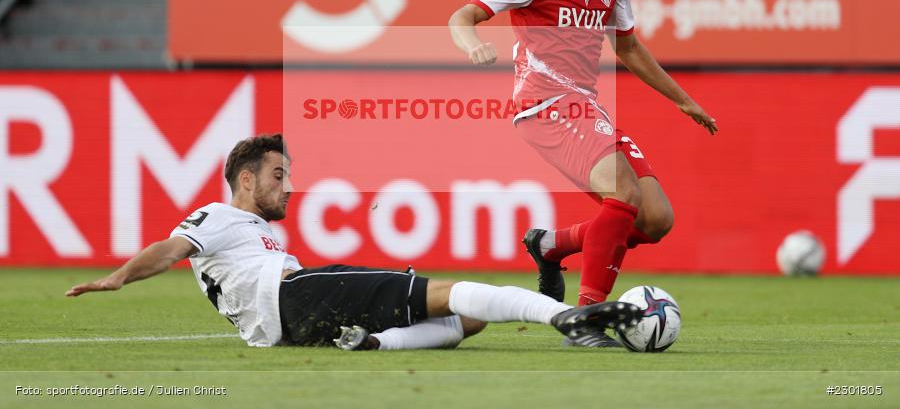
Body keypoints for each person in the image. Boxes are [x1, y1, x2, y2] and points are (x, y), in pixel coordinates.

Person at [448, 0, 717, 344]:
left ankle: (551, 245)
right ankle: (586, 318)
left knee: (655, 220)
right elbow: (463, 15)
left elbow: (628, 48)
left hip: (585, 104)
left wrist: (683, 100)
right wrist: (472, 44)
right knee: (624, 196)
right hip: (544, 102)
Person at [66, 133, 640, 350]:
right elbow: (171, 250)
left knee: (468, 321)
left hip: (293, 318)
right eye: (277, 176)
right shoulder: (215, 214)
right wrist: (120, 275)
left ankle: (370, 344)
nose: (288, 187)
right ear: (245, 180)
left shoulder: (255, 232)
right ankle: (568, 317)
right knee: (450, 291)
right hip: (295, 298)